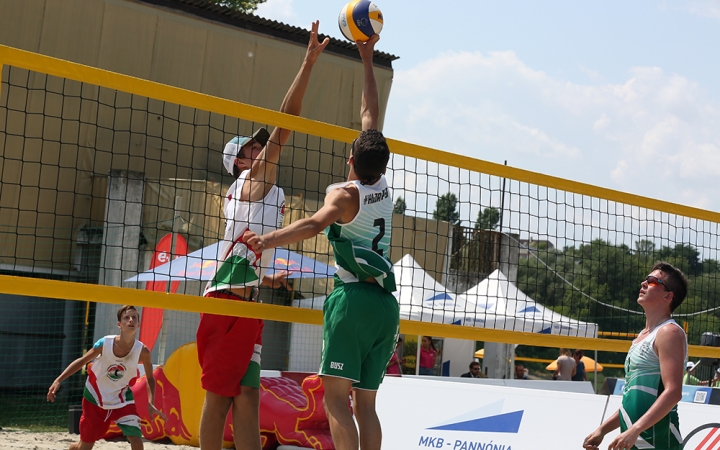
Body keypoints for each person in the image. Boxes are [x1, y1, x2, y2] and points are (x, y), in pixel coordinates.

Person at [245, 33, 398, 450]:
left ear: (352, 159)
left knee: (336, 399)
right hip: (386, 305)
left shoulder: (344, 195)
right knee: (367, 405)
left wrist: (268, 238)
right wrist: (366, 57)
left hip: (352, 301)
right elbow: (371, 113)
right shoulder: (383, 183)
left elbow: (313, 225)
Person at [197, 21, 328, 450]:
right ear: (239, 163)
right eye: (252, 148)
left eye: (259, 145)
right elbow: (285, 124)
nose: (260, 148)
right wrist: (307, 64)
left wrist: (268, 278)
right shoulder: (252, 181)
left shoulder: (260, 191)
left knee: (249, 396)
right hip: (226, 303)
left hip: (248, 301)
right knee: (220, 399)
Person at [583, 262, 689, 450]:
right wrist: (603, 430)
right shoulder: (641, 337)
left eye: (652, 281)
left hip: (658, 442)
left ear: (668, 295)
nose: (643, 283)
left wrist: (635, 430)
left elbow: (673, 392)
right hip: (634, 440)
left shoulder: (669, 333)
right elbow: (633, 400)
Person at [47, 305, 165, 450]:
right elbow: (83, 361)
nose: (131, 320)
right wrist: (58, 380)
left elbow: (150, 378)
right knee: (85, 446)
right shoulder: (105, 344)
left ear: (139, 324)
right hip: (95, 397)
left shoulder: (143, 351)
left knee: (136, 440)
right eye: (126, 317)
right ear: (119, 324)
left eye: (134, 317)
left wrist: (150, 402)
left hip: (122, 399)